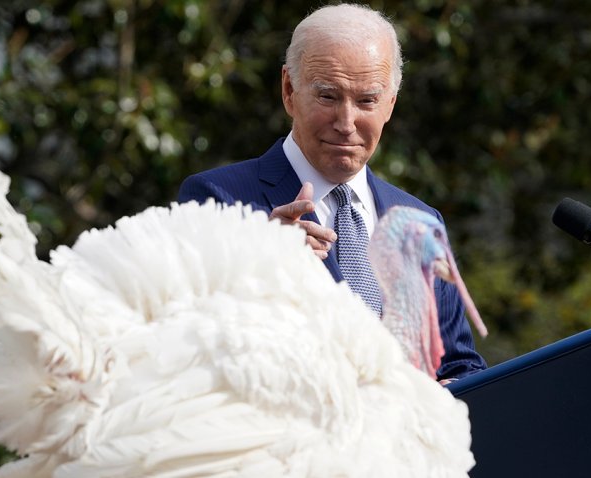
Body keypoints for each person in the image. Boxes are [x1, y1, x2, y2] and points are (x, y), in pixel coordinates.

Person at [177, 3, 486, 380]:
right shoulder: (219, 201)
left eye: (367, 100)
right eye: (328, 96)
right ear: (289, 90)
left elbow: (460, 367)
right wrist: (258, 267)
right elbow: (184, 348)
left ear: (390, 104)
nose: (346, 122)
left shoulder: (420, 222)